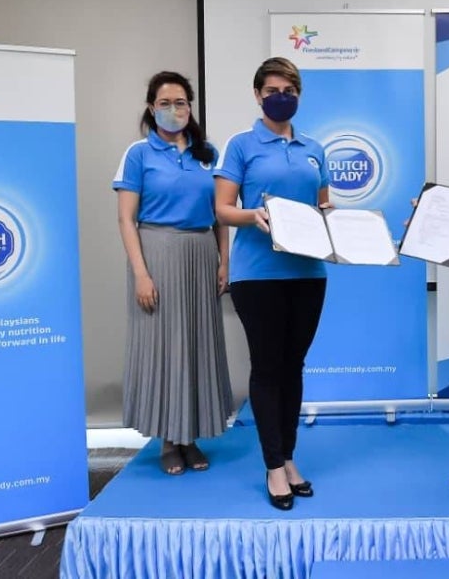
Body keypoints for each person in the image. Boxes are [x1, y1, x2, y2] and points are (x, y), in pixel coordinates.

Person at [214, 57, 329, 511]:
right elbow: (223, 209)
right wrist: (254, 216)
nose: (281, 96)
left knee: (293, 367)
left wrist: (340, 224)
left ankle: (289, 456)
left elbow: (324, 206)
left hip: (308, 273)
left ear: (298, 95)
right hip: (257, 274)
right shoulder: (242, 145)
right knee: (266, 368)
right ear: (258, 94)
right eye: (273, 89)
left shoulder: (314, 148)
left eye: (290, 89)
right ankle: (273, 466)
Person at [113, 70, 232, 476]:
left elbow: (220, 214)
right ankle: (167, 440)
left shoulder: (207, 153)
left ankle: (191, 436)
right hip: (158, 255)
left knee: (196, 345)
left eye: (180, 102)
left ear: (190, 107)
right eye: (164, 103)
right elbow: (126, 220)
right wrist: (141, 274)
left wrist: (224, 260)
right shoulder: (138, 154)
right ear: (151, 108)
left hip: (201, 256)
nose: (173, 109)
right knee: (165, 348)